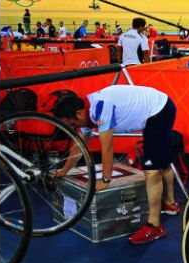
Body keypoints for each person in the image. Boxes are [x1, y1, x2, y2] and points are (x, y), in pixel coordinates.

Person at [52, 85, 179, 244]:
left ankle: (154, 226)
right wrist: (64, 170)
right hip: (160, 105)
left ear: (78, 113)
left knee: (151, 169)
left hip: (158, 110)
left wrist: (106, 179)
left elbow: (107, 146)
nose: (74, 127)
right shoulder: (85, 110)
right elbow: (80, 145)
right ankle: (169, 203)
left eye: (72, 124)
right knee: (162, 162)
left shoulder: (99, 108)